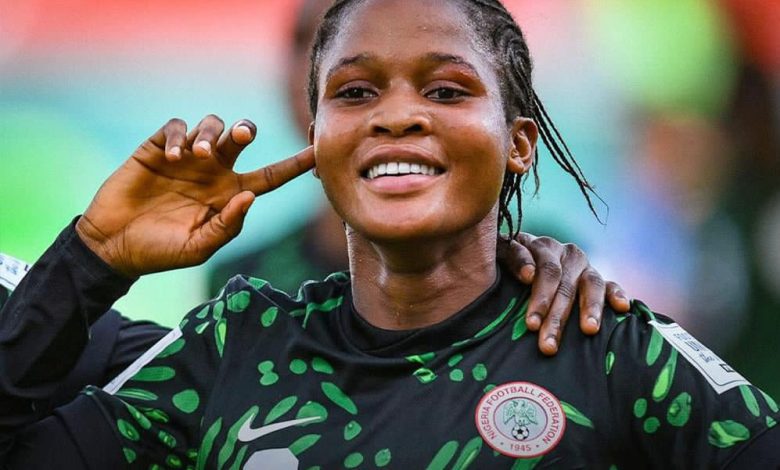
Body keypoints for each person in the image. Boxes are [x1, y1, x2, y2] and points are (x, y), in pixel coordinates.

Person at [1, 0, 778, 468]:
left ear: (518, 143)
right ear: (316, 136)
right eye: (354, 91)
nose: (397, 115)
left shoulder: (608, 349)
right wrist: (93, 258)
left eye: (445, 89)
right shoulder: (230, 348)